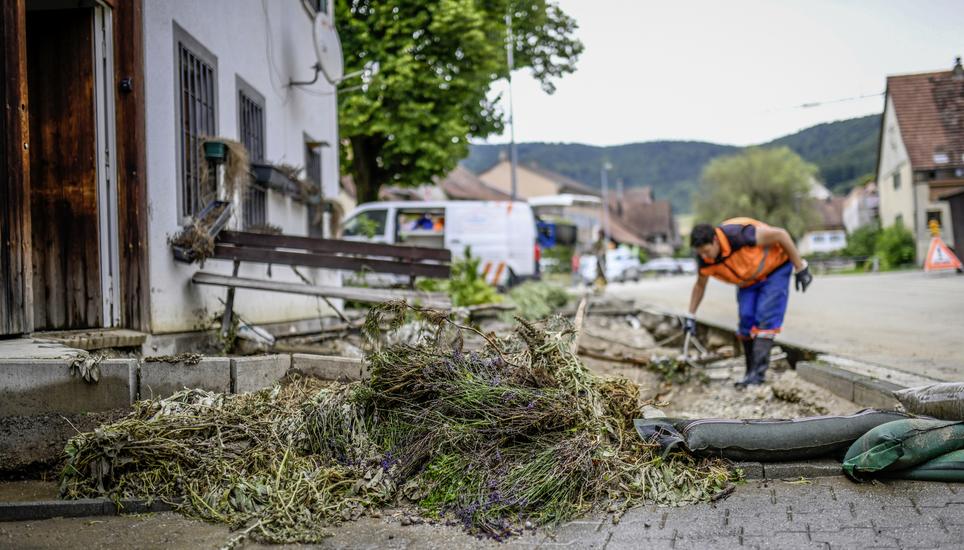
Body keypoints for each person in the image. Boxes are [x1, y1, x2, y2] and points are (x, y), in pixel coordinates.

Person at [684, 217, 812, 387]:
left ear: (715, 240)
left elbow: (781, 235)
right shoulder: (704, 260)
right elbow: (700, 286)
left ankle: (757, 376)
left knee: (765, 318)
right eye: (700, 253)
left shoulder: (739, 235)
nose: (705, 256)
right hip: (748, 281)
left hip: (775, 270)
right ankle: (749, 372)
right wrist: (690, 315)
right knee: (746, 321)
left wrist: (800, 267)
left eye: (707, 251)